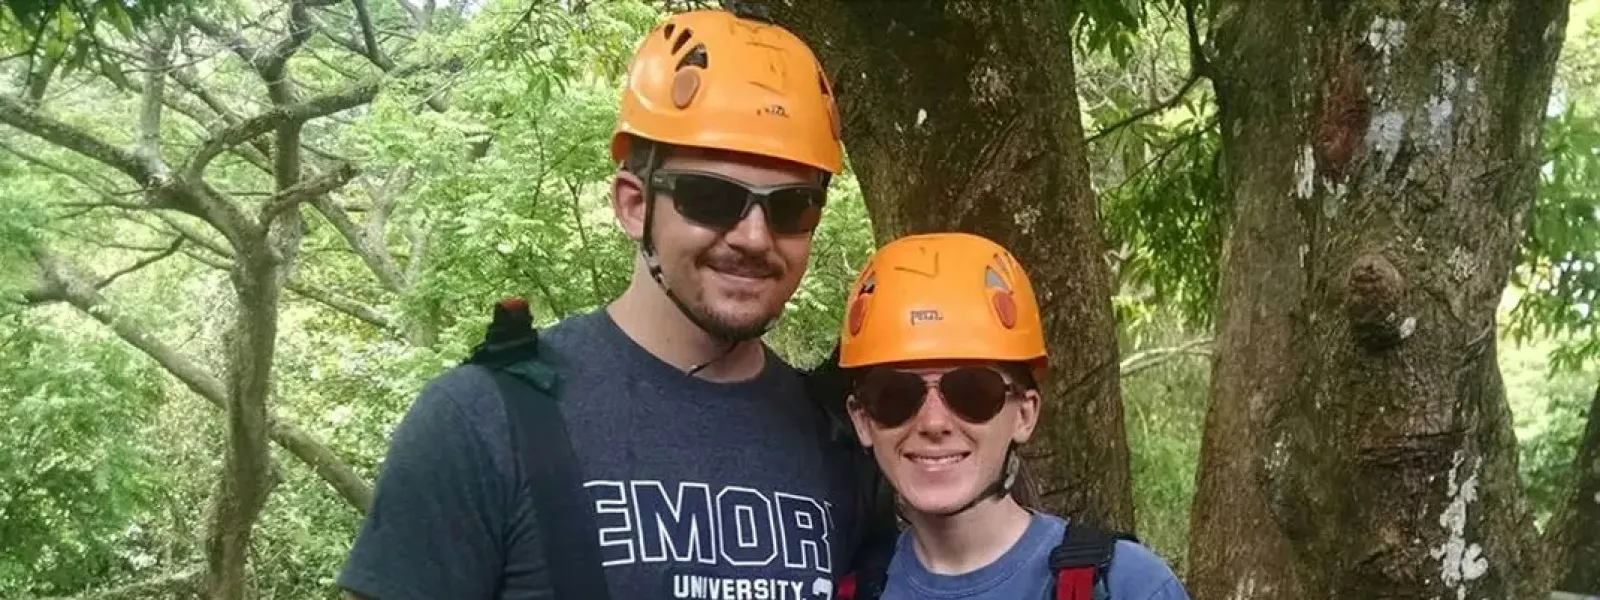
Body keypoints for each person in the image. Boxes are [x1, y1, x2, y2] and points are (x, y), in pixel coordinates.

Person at [337, 8, 894, 600]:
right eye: (711, 197)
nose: (755, 237)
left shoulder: (840, 441)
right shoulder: (483, 420)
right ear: (633, 205)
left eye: (791, 207)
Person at [833, 232, 1191, 599]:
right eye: (895, 396)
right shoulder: (852, 590)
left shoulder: (1128, 587)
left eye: (972, 392)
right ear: (862, 419)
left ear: (1024, 414)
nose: (933, 423)